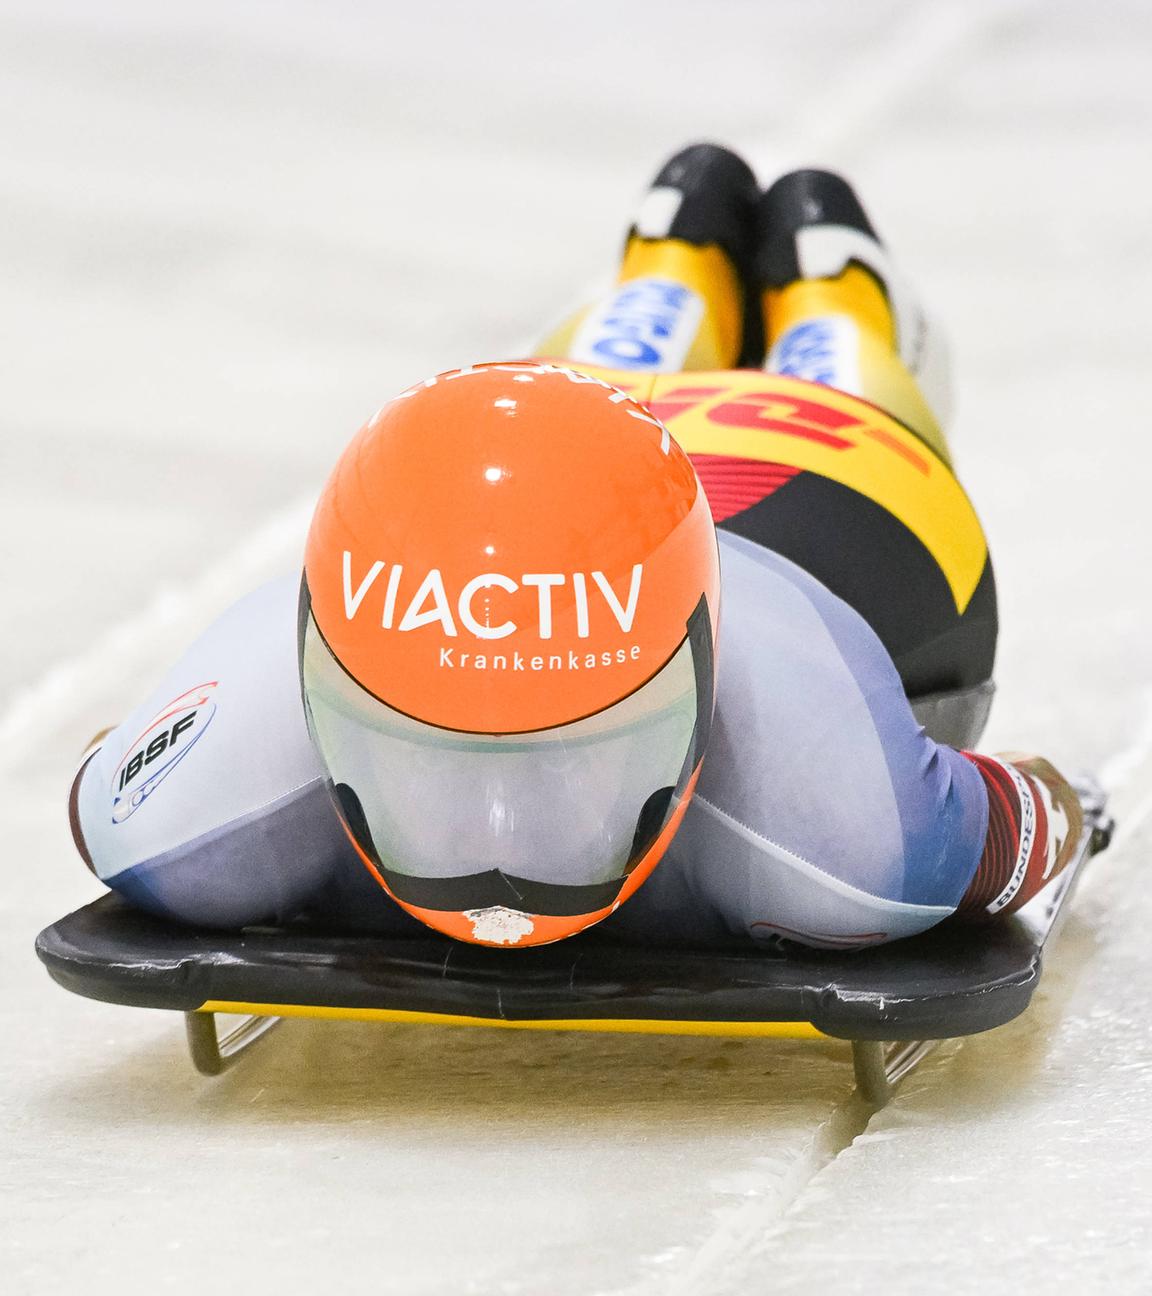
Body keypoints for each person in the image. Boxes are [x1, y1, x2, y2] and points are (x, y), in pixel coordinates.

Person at [68, 144, 1083, 951]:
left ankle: (750, 280)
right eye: (422, 746)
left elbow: (111, 778)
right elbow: (1025, 817)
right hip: (779, 493)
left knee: (759, 383)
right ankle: (749, 273)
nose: (501, 842)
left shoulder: (184, 825)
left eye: (577, 748)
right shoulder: (851, 843)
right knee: (698, 387)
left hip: (817, 515)